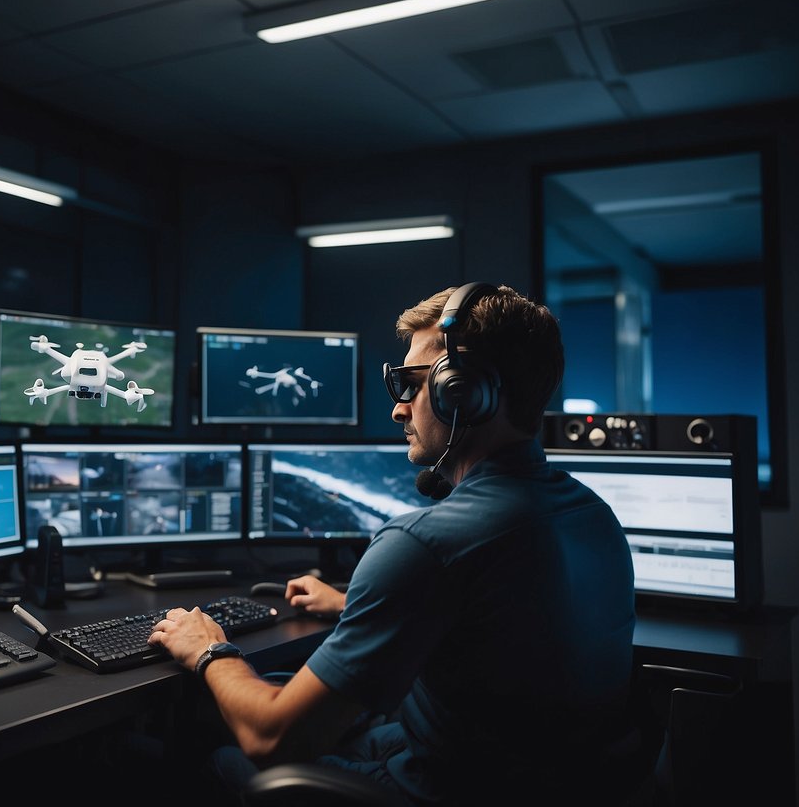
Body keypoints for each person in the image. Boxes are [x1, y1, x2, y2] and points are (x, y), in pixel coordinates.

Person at [148, 282, 637, 805]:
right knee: (292, 686)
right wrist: (354, 605)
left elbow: (271, 739)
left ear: (465, 393)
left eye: (410, 384)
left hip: (441, 787)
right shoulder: (592, 515)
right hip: (523, 776)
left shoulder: (425, 543)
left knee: (218, 754)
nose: (399, 409)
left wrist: (210, 649)